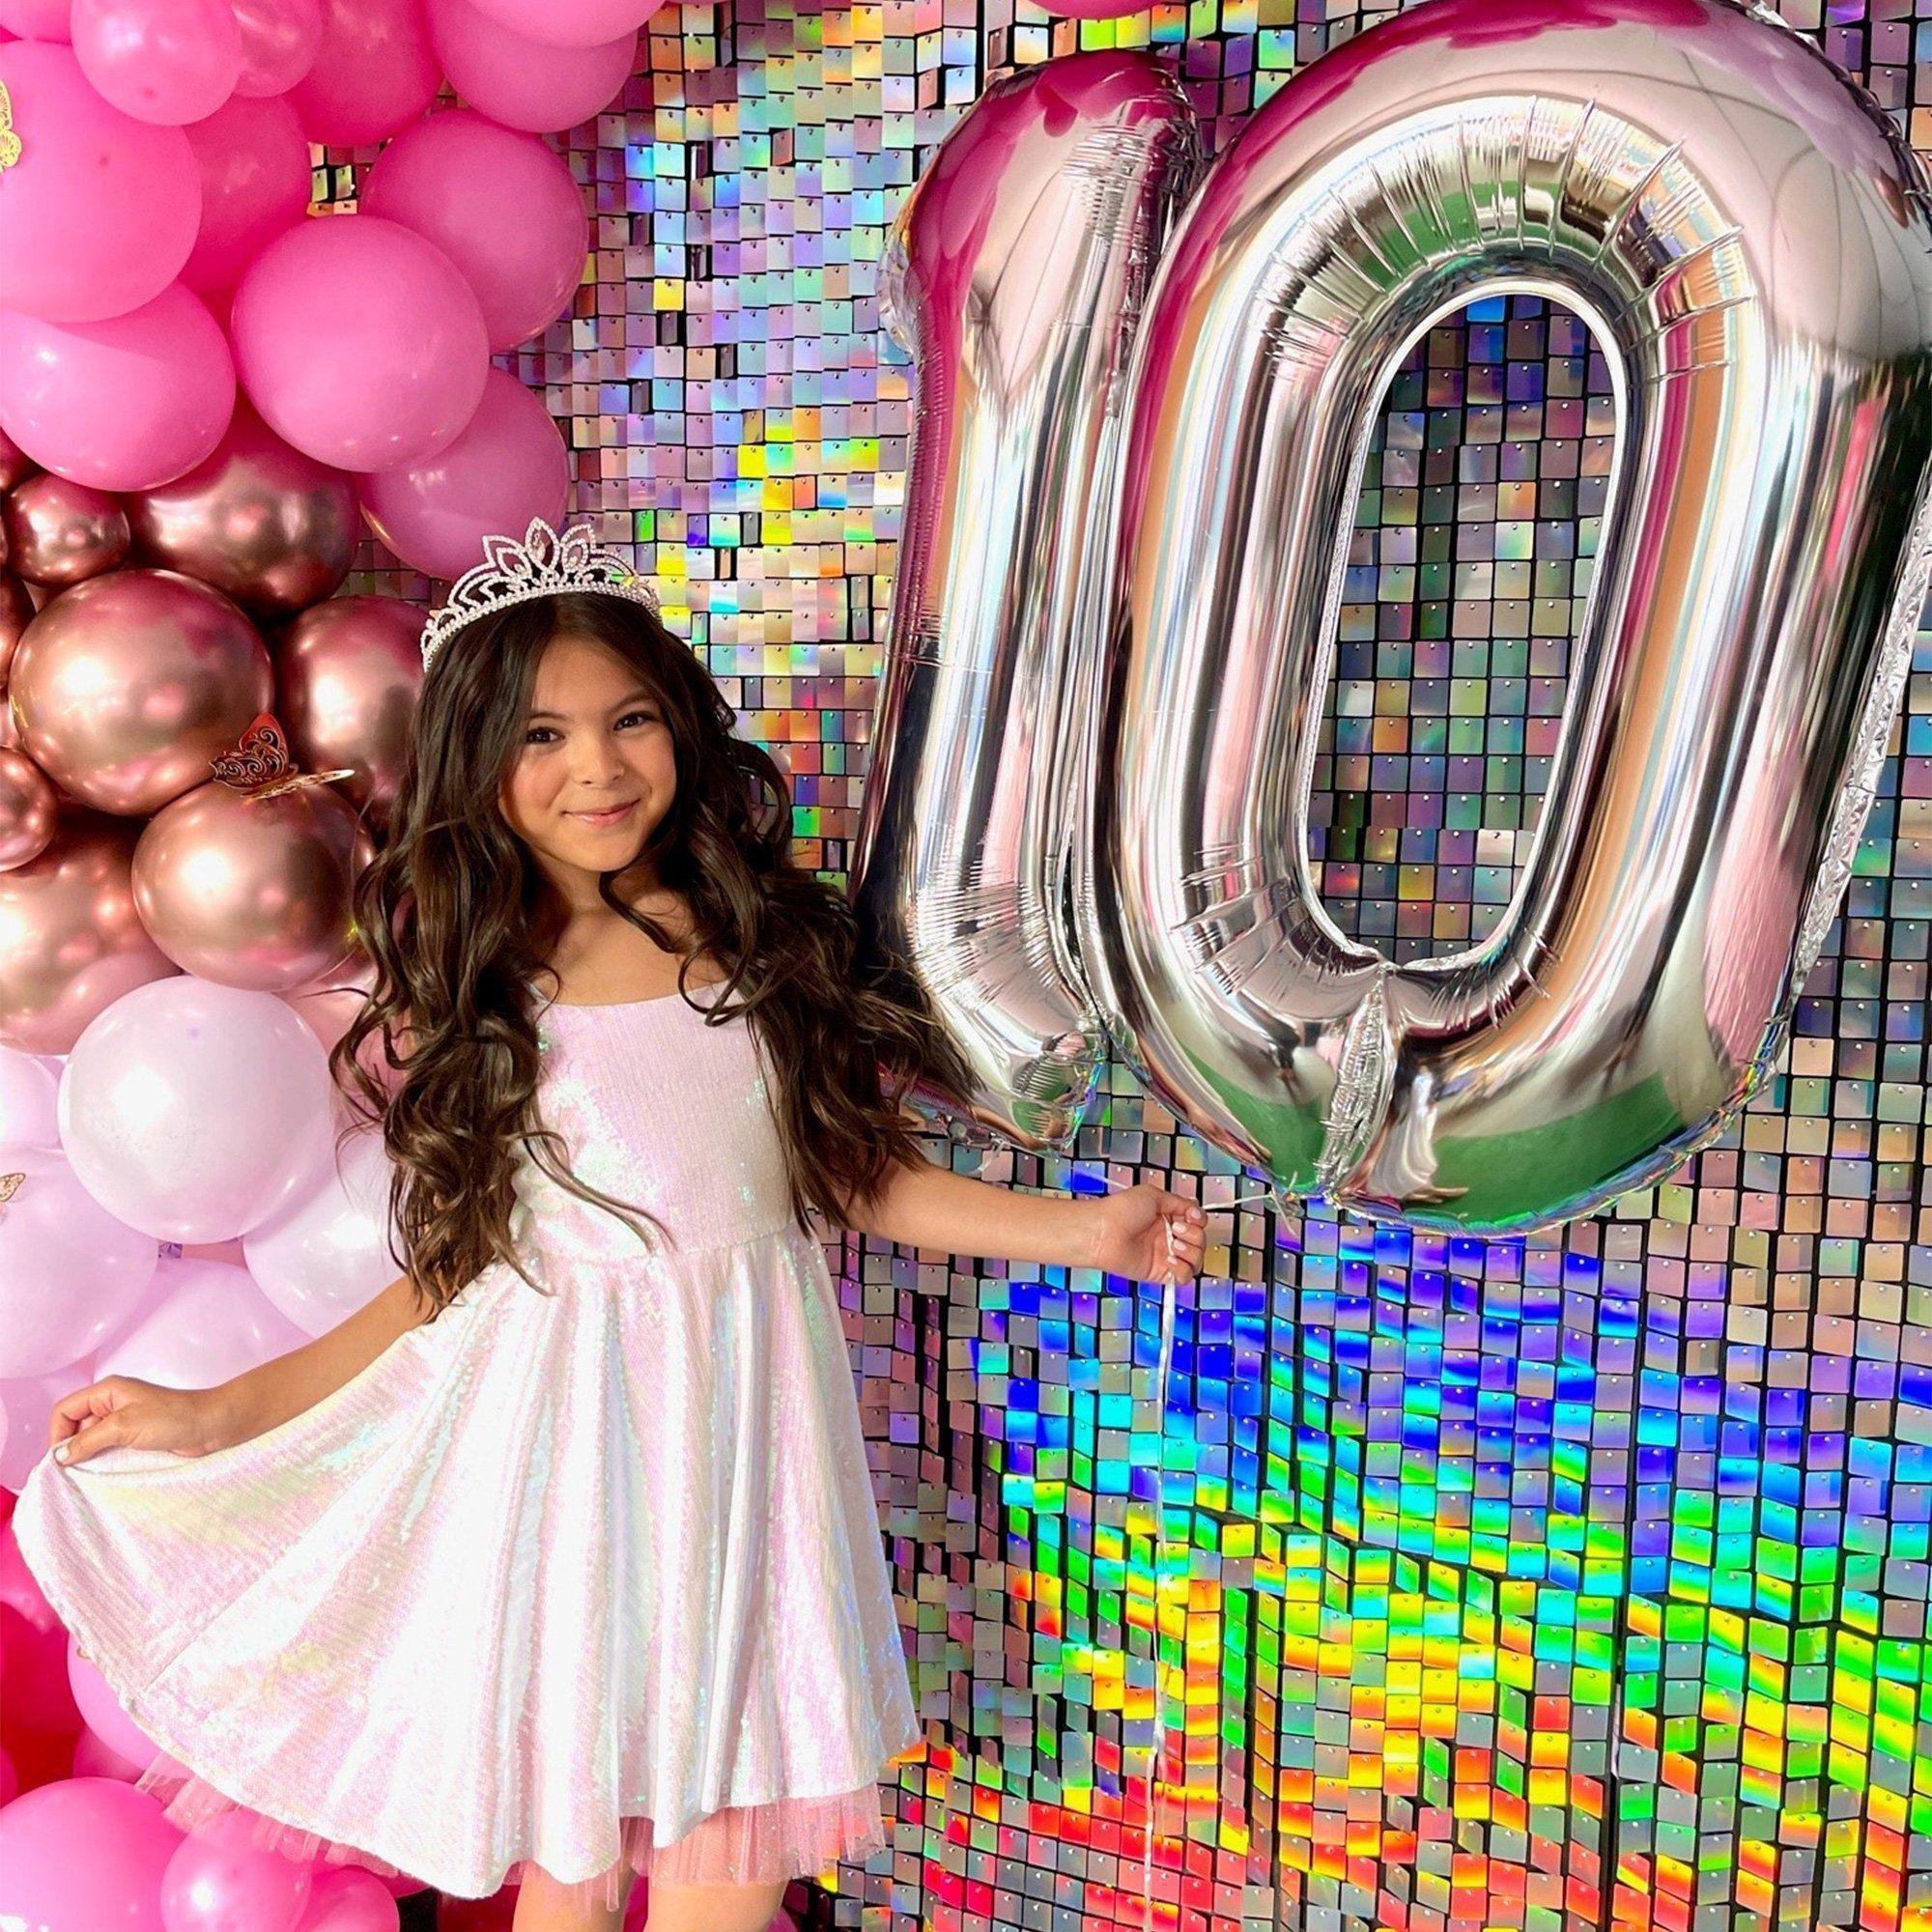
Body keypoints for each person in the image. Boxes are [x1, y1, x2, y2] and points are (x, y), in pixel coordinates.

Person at [12, 519, 1208, 1932]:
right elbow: (451, 1274)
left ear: (681, 729)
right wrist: (219, 1413)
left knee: (736, 1832)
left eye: (630, 720)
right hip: (566, 1458)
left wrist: (1086, 1232)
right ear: (480, 764)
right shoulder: (490, 982)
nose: (599, 767)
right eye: (544, 737)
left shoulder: (755, 941)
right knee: (571, 1867)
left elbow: (841, 1176)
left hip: (752, 1441)